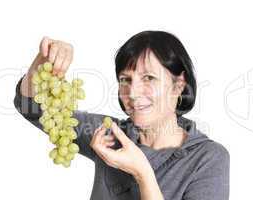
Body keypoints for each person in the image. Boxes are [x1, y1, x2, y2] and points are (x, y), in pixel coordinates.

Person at [14, 30, 229, 200]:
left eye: (149, 78)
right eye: (125, 79)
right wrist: (43, 62)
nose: (133, 93)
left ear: (179, 85)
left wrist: (143, 174)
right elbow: (30, 106)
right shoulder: (109, 134)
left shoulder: (208, 158)